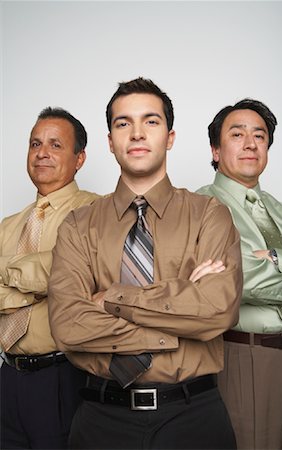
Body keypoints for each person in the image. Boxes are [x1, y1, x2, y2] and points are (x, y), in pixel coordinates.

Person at [48, 77, 242, 450]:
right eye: (123, 123)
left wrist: (110, 299)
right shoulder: (77, 225)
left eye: (151, 121)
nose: (137, 133)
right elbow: (69, 326)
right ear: (110, 141)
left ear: (169, 137)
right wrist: (180, 323)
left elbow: (218, 311)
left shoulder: (209, 215)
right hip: (100, 418)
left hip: (193, 415)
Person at [197, 98, 282, 450]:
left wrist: (275, 257)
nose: (251, 143)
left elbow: (257, 270)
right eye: (237, 134)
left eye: (260, 135)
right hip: (248, 357)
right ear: (215, 150)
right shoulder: (201, 207)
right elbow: (237, 279)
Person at [0, 107, 99, 449]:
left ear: (79, 158)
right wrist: (40, 285)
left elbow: (73, 274)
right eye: (35, 143)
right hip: (8, 375)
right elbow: (53, 277)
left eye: (56, 145)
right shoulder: (8, 224)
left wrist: (7, 270)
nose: (42, 152)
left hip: (63, 376)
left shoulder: (96, 212)